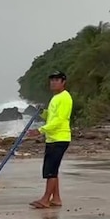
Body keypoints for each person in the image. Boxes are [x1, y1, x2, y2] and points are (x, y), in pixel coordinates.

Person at [29, 70, 72, 209]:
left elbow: (60, 120)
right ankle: (56, 198)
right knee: (53, 169)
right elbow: (51, 118)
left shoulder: (65, 98)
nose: (53, 82)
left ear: (63, 82)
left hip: (59, 138)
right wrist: (43, 112)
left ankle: (46, 199)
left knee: (50, 170)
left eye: (57, 80)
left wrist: (40, 130)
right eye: (52, 80)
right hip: (52, 138)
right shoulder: (55, 97)